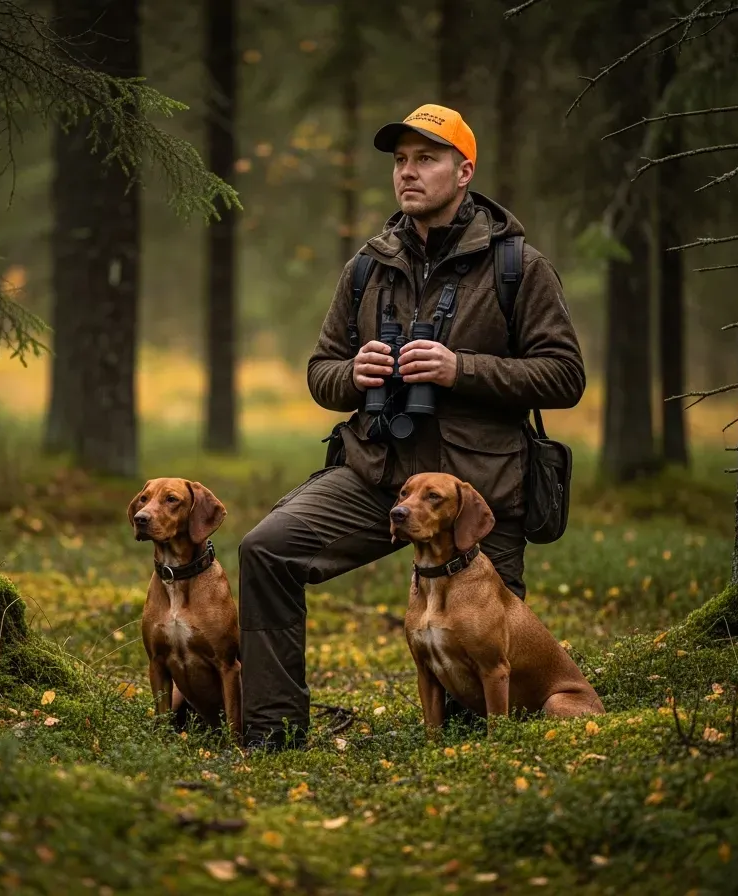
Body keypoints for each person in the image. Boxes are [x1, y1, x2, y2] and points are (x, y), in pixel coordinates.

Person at [236, 103, 586, 751]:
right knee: (268, 548)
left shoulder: (518, 268)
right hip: (377, 476)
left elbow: (565, 376)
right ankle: (273, 730)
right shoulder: (368, 267)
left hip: (477, 494)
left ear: (464, 171)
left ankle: (481, 759)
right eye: (400, 160)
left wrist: (462, 369)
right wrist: (354, 373)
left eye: (426, 158)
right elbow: (321, 371)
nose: (408, 172)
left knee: (477, 698)